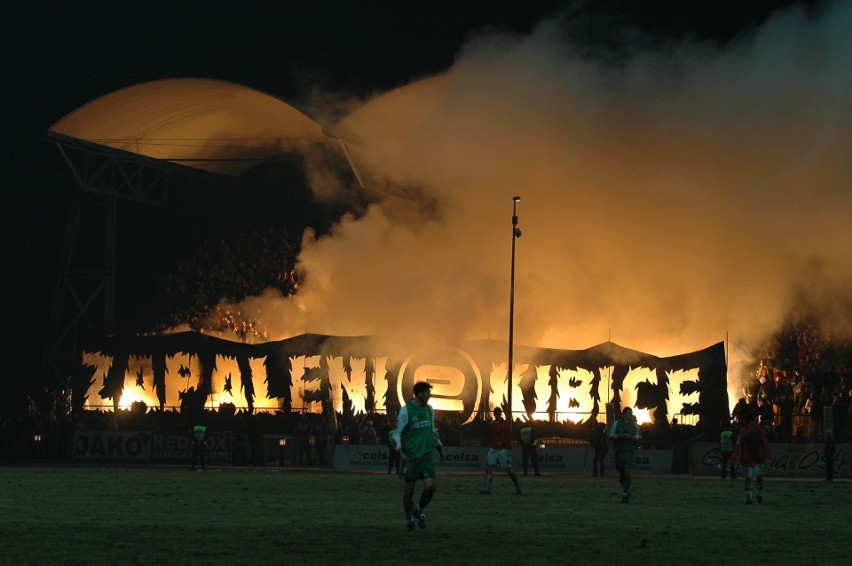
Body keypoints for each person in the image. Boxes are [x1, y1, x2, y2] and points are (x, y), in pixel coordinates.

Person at [392, 381, 446, 531]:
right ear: (420, 394)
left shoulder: (429, 409)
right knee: (409, 492)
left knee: (431, 488)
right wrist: (401, 452)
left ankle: (418, 509)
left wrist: (440, 448)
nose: (429, 396)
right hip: (412, 456)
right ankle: (410, 518)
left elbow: (432, 431)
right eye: (427, 393)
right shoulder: (405, 411)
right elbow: (397, 433)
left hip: (427, 455)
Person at [480, 407, 522, 495]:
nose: (498, 415)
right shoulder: (492, 425)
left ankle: (518, 488)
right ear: (494, 414)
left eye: (499, 413)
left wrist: (502, 442)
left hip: (503, 450)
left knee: (508, 469)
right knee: (489, 467)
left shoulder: (505, 425)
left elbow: (509, 436)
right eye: (497, 413)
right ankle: (487, 489)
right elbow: (488, 435)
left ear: (500, 414)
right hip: (493, 449)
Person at [730, 413, 769, 504]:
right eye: (756, 420)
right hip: (749, 458)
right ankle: (750, 497)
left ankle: (757, 495)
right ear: (750, 421)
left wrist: (766, 455)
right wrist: (734, 456)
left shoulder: (760, 431)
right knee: (749, 478)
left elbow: (765, 444)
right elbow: (738, 444)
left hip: (757, 458)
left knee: (758, 477)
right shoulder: (744, 432)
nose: (757, 422)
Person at [609, 406, 641, 503]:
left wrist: (634, 438)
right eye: (628, 413)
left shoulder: (635, 425)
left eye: (631, 413)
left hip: (629, 452)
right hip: (619, 452)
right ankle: (626, 488)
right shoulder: (617, 423)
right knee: (621, 475)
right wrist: (618, 436)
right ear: (623, 415)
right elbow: (611, 436)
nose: (630, 415)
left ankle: (625, 495)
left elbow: (638, 437)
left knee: (627, 473)